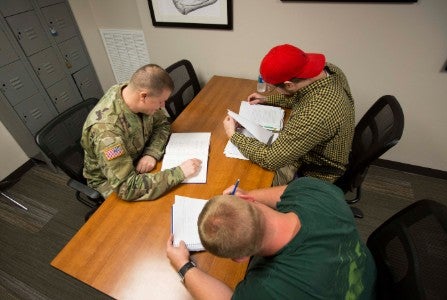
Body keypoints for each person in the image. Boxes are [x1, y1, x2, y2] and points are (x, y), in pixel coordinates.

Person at [166, 177, 376, 300]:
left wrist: (183, 266)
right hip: (369, 278)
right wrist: (250, 196)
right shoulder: (314, 191)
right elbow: (288, 192)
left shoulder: (267, 288)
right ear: (249, 199)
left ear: (241, 258)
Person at [223, 44, 355, 186]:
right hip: (316, 150)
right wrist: (267, 99)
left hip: (316, 171)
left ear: (289, 85)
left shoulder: (315, 112)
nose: (272, 90)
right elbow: (302, 96)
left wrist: (234, 135)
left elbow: (271, 159)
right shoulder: (329, 71)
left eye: (273, 87)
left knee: (246, 181)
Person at [81, 64, 201, 201]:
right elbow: (127, 188)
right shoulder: (107, 132)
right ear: (143, 96)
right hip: (110, 181)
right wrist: (180, 173)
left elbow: (162, 124)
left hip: (137, 159)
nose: (163, 106)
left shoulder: (134, 94)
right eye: (161, 102)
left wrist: (152, 153)